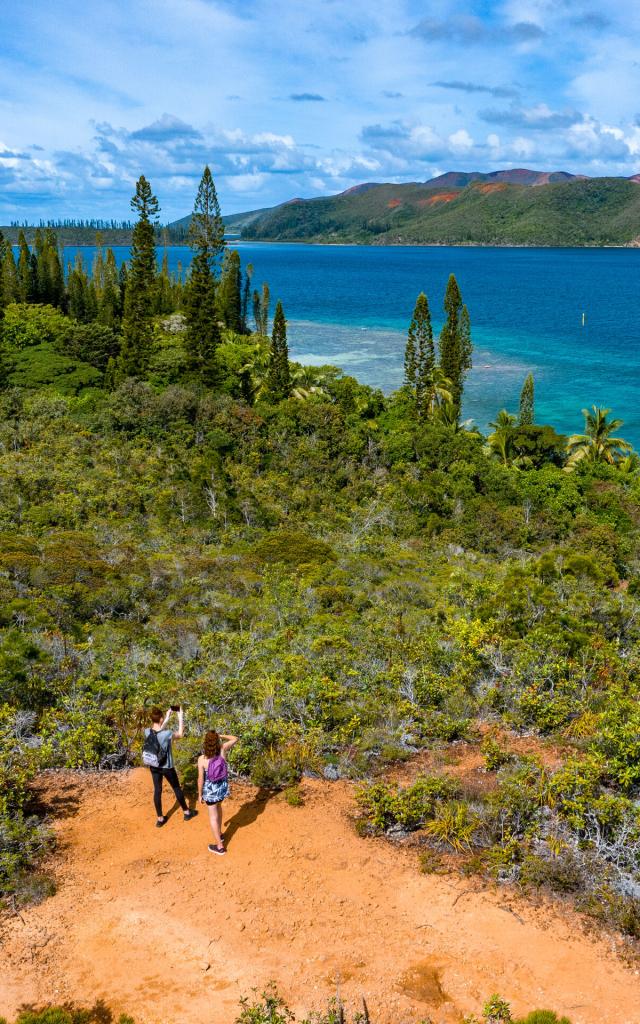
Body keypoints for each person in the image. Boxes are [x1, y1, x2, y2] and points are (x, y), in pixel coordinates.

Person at [144, 706, 198, 828]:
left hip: (154, 765)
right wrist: (180, 717)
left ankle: (160, 818)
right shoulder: (167, 734)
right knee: (176, 788)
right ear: (161, 719)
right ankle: (187, 812)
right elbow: (180, 734)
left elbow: (156, 733)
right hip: (167, 766)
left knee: (157, 790)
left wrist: (166, 718)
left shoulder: (147, 731)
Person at [197, 729, 238, 855]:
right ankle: (219, 834)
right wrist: (221, 735)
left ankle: (220, 846)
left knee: (213, 817)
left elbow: (200, 779)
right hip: (222, 789)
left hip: (210, 792)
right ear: (217, 741)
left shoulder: (202, 759)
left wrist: (199, 795)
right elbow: (235, 738)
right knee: (219, 809)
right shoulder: (222, 750)